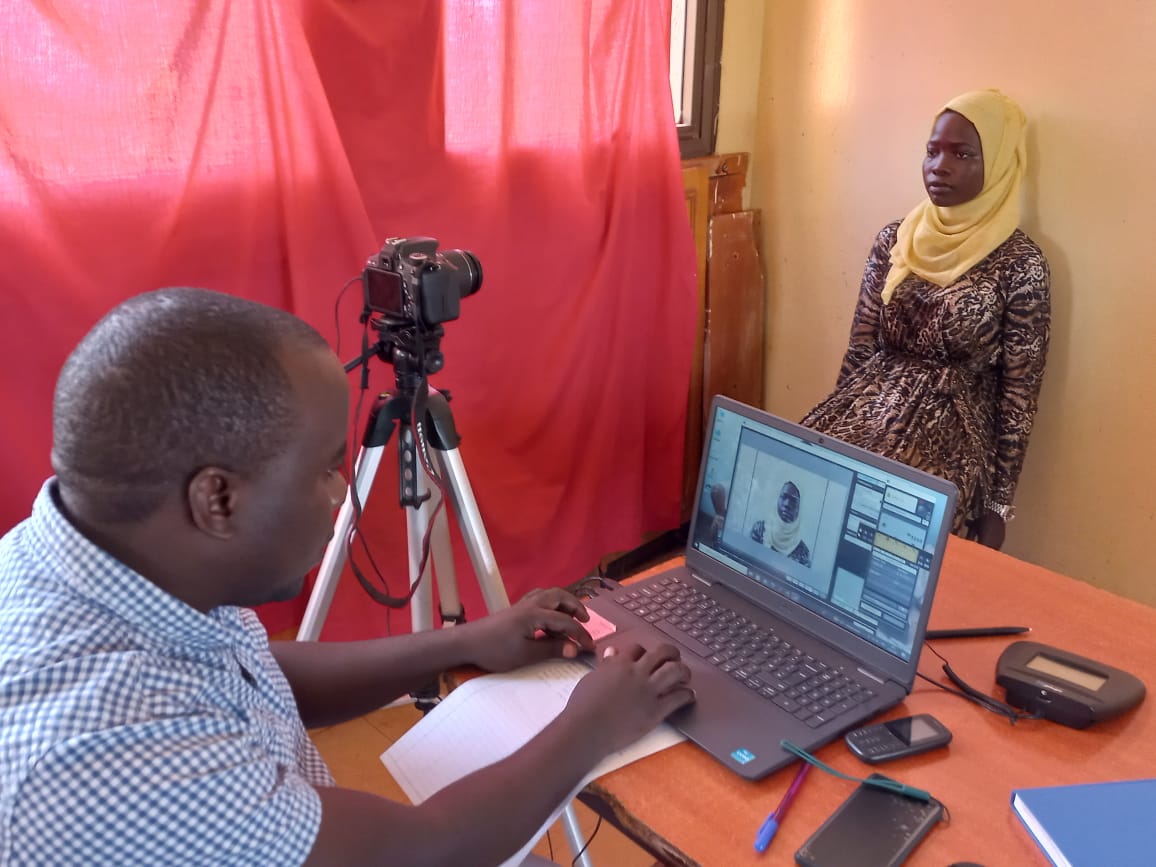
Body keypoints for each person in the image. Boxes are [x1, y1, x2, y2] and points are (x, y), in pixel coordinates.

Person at [0, 287, 695, 866]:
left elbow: (250, 673)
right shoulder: (107, 753)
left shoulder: (89, 559)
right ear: (216, 499)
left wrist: (463, 642)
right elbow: (431, 852)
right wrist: (595, 722)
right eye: (325, 469)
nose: (343, 495)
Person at [801, 89, 1050, 550]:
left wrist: (997, 509)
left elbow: (1019, 397)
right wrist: (830, 427)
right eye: (932, 151)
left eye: (962, 154)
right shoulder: (896, 238)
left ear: (997, 164)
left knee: (886, 548)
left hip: (948, 445)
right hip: (866, 414)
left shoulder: (1020, 263)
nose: (940, 166)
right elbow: (861, 348)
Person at [749, 480, 811, 566]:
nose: (787, 504)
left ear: (800, 507)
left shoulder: (803, 553)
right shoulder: (759, 529)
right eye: (784, 497)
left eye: (793, 501)